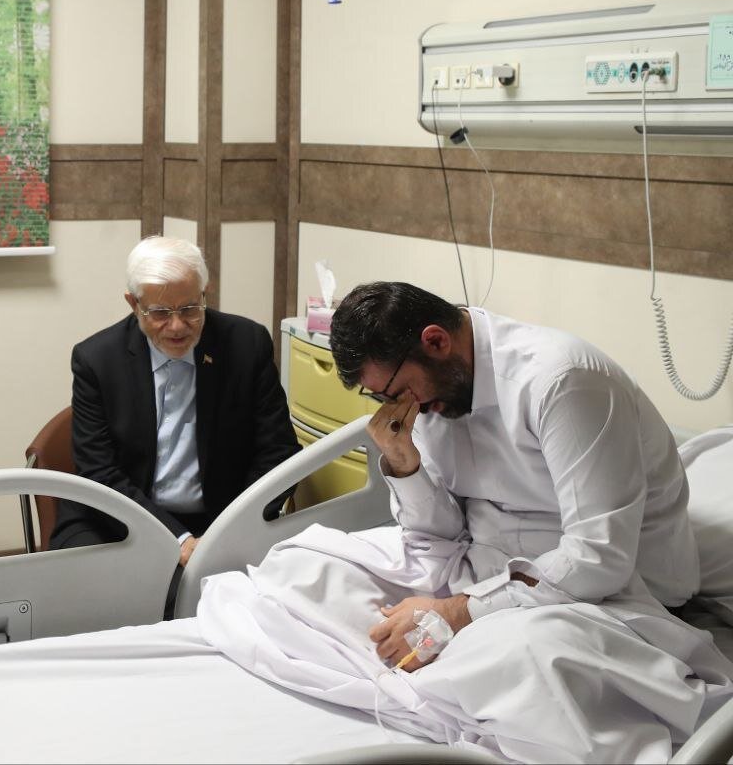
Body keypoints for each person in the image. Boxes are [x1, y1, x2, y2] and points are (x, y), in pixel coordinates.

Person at [196, 280, 732, 760]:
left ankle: (452, 666)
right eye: (381, 398)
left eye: (396, 392)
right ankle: (440, 672)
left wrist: (456, 613)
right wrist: (404, 464)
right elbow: (439, 533)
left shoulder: (563, 381)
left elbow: (599, 558)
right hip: (480, 567)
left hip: (604, 595)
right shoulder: (438, 392)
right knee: (300, 567)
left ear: (435, 341)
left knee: (521, 652)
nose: (397, 406)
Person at [51, 236, 300, 565]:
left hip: (220, 516)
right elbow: (99, 471)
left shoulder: (246, 344)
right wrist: (178, 539)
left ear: (204, 294)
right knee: (99, 582)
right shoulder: (97, 360)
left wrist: (229, 530)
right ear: (133, 304)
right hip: (120, 515)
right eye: (160, 313)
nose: (177, 326)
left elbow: (278, 452)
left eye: (189, 309)